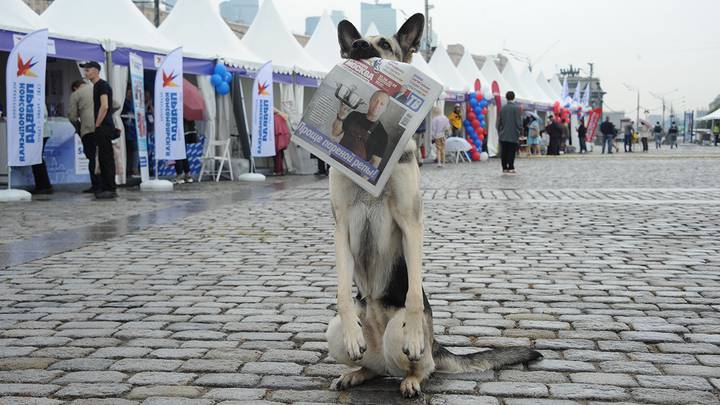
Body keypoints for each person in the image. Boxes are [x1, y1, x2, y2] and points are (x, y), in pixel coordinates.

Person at [81, 61, 116, 199]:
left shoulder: (102, 85)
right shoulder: (96, 86)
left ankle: (110, 187)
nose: (86, 73)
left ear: (95, 71)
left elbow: (105, 106)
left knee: (106, 157)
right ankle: (105, 186)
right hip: (103, 126)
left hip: (104, 127)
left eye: (88, 70)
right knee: (102, 157)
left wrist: (97, 123)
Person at [332, 90, 389, 167]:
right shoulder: (354, 115)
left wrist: (362, 178)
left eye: (382, 104)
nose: (377, 105)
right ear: (370, 101)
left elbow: (375, 163)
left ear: (385, 109)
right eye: (375, 101)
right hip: (335, 161)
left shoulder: (382, 135)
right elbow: (335, 133)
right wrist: (340, 117)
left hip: (354, 171)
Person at [68, 79, 98, 193]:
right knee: (103, 156)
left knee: (92, 157)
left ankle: (96, 184)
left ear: (75, 87)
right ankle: (106, 183)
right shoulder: (98, 88)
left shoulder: (76, 94)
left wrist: (79, 126)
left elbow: (72, 116)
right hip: (103, 128)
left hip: (88, 129)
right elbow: (116, 104)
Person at [497, 91, 523, 174]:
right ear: (513, 97)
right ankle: (511, 167)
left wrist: (499, 131)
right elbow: (518, 122)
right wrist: (520, 130)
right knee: (511, 151)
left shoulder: (502, 108)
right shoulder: (516, 108)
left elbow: (498, 122)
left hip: (503, 134)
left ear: (506, 97)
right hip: (513, 134)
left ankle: (504, 167)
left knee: (504, 152)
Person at [30, 104, 53, 194]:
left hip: (41, 134)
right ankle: (43, 185)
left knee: (37, 159)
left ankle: (43, 185)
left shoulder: (38, 100)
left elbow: (42, 116)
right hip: (41, 133)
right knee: (37, 158)